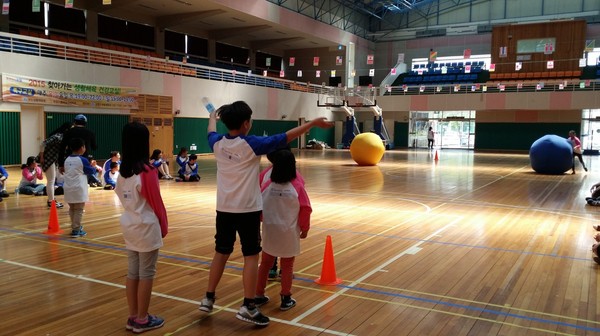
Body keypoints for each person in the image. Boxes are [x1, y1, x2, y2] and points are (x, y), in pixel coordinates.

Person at [199, 100, 332, 326]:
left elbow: (211, 130)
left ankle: (208, 298)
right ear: (245, 124)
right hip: (247, 210)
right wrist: (311, 124)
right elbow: (286, 136)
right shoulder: (252, 144)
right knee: (251, 257)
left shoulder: (217, 143)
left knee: (221, 252)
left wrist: (212, 115)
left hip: (223, 209)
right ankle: (249, 306)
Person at [115, 122, 168, 334]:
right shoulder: (147, 171)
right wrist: (164, 226)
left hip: (129, 226)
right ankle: (143, 319)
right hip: (146, 227)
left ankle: (133, 315)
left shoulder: (122, 173)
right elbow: (157, 204)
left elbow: (121, 196)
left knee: (133, 272)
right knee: (146, 273)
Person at [255, 150, 311, 311]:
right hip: (288, 231)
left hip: (270, 229)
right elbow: (305, 208)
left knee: (265, 263)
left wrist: (259, 222)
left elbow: (258, 205)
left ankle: (258, 294)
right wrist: (305, 227)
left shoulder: (266, 185)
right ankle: (286, 297)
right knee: (287, 265)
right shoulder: (297, 186)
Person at [259, 147, 305, 280]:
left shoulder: (265, 176)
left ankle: (269, 274)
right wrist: (304, 226)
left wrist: (261, 216)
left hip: (270, 223)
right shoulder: (295, 179)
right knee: (287, 262)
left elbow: (258, 194)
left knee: (268, 256)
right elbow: (305, 205)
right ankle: (285, 294)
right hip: (288, 225)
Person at [63, 138, 96, 237]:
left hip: (68, 188)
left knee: (72, 208)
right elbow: (90, 171)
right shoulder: (82, 159)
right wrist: (93, 166)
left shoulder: (67, 159)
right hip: (78, 188)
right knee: (79, 209)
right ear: (82, 147)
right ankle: (76, 229)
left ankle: (75, 226)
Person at [40, 122, 72, 208]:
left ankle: (51, 199)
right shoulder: (58, 137)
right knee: (51, 181)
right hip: (48, 160)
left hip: (52, 160)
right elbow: (43, 143)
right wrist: (42, 157)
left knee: (51, 181)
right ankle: (51, 201)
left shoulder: (61, 137)